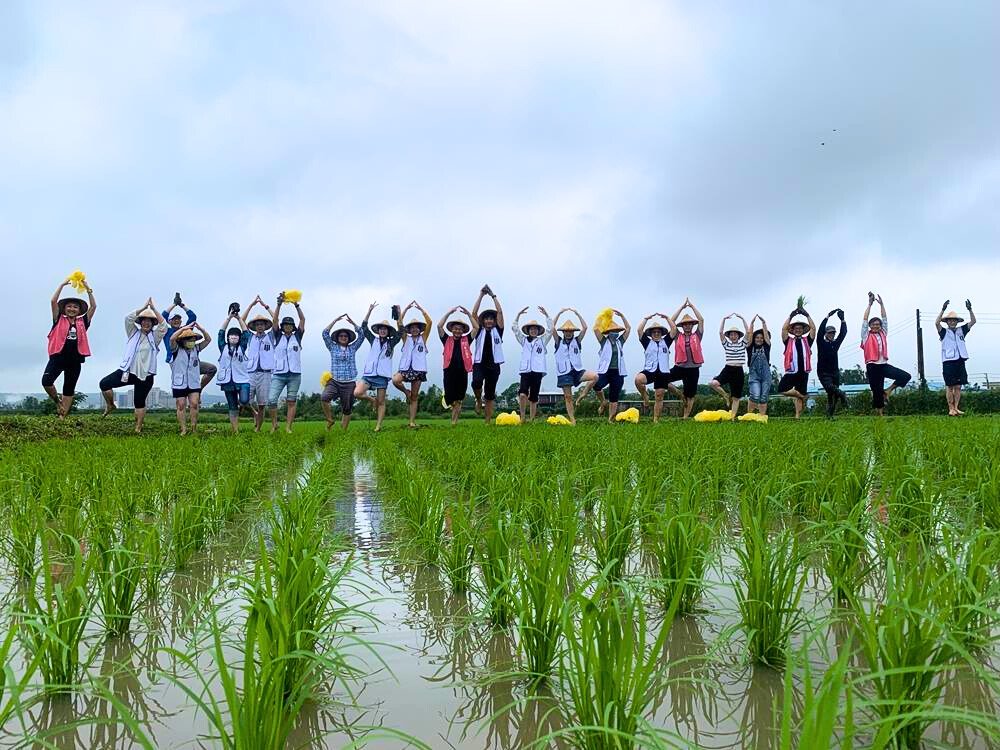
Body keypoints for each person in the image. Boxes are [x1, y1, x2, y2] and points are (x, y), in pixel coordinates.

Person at [99, 300, 167, 433]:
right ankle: (110, 405)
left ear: (153, 324)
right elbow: (128, 318)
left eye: (150, 321)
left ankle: (138, 428)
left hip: (146, 375)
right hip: (128, 371)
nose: (146, 323)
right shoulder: (133, 332)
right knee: (104, 384)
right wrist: (143, 308)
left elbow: (163, 325)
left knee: (139, 402)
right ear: (140, 322)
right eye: (144, 320)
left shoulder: (155, 337)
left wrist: (153, 308)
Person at [43, 278, 97, 418]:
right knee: (47, 381)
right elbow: (53, 302)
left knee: (69, 388)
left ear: (79, 310)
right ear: (65, 308)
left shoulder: (82, 322)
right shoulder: (58, 319)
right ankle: (57, 402)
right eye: (69, 306)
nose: (72, 309)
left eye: (75, 307)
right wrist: (61, 285)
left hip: (75, 359)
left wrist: (88, 289)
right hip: (58, 357)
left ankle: (62, 418)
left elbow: (93, 307)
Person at [861, 293, 911, 416]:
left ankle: (888, 391)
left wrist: (882, 305)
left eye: (878, 324)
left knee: (905, 376)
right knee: (876, 390)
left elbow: (885, 319)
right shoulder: (866, 335)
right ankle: (880, 415)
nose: (876, 326)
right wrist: (870, 304)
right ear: (870, 326)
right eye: (873, 324)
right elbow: (864, 319)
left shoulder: (883, 333)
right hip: (872, 366)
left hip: (883, 365)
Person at [392, 300, 433, 429]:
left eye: (417, 327)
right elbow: (399, 323)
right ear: (409, 329)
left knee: (415, 397)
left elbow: (430, 322)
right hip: (405, 368)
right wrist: (405, 309)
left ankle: (412, 421)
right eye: (412, 327)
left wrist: (421, 309)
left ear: (419, 329)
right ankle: (406, 392)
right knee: (395, 380)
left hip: (418, 369)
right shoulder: (405, 338)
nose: (414, 329)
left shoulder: (423, 338)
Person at [163, 293, 217, 389]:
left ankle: (199, 389)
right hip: (176, 360)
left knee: (211, 369)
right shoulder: (166, 331)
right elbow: (163, 316)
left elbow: (192, 317)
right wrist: (174, 304)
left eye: (178, 319)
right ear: (169, 321)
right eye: (173, 319)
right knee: (182, 384)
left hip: (191, 359)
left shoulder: (186, 330)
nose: (176, 321)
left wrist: (182, 305)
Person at [359, 304, 400, 432]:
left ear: (388, 332)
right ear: (378, 331)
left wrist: (398, 313)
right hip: (369, 373)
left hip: (382, 375)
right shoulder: (373, 340)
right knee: (357, 392)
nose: (383, 331)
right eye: (381, 329)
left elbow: (402, 331)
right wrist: (369, 310)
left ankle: (378, 426)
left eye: (385, 329)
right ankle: (372, 400)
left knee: (382, 402)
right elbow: (364, 327)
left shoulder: (391, 343)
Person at [662, 298, 705, 419]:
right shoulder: (677, 335)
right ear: (682, 326)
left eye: (689, 324)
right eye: (685, 324)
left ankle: (685, 417)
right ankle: (679, 394)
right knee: (663, 380)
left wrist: (692, 306)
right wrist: (681, 307)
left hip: (693, 369)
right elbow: (671, 320)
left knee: (690, 395)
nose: (687, 326)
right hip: (680, 367)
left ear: (692, 325)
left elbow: (701, 320)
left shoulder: (697, 335)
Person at [269, 293, 306, 433]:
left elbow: (302, 319)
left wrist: (296, 305)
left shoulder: (298, 336)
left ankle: (288, 427)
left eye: (290, 325)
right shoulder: (278, 336)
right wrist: (278, 304)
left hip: (295, 375)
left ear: (293, 327)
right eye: (286, 325)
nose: (288, 327)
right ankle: (274, 425)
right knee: (272, 400)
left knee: (291, 401)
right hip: (279, 374)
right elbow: (275, 320)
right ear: (283, 326)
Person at [552, 308, 596, 424]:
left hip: (577, 370)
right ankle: (572, 419)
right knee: (568, 397)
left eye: (571, 331)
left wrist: (577, 313)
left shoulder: (577, 340)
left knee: (595, 377)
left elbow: (585, 328)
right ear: (563, 332)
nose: (568, 333)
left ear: (573, 332)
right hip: (564, 372)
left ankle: (583, 394)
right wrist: (559, 313)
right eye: (566, 331)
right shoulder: (558, 341)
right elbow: (551, 328)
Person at [321, 314, 365, 430]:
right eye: (341, 335)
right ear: (337, 337)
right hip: (334, 381)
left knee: (347, 408)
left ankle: (343, 430)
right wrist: (334, 321)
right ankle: (330, 420)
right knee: (325, 397)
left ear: (348, 338)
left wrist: (353, 324)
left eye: (345, 336)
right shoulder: (332, 347)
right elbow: (325, 333)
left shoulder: (353, 347)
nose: (343, 337)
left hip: (349, 382)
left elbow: (362, 335)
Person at [168, 322, 212, 435]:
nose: (191, 342)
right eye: (189, 340)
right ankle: (183, 429)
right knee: (181, 405)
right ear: (183, 340)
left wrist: (201, 328)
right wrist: (184, 328)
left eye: (193, 340)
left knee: (194, 404)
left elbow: (208, 339)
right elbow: (172, 339)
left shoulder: (196, 349)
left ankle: (194, 428)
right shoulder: (176, 349)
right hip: (179, 382)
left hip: (193, 382)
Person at [241, 296, 277, 432]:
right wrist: (251, 305)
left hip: (265, 373)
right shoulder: (250, 337)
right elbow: (242, 321)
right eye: (257, 324)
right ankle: (254, 414)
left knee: (262, 404)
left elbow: (276, 320)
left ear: (265, 326)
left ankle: (258, 428)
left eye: (262, 324)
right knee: (244, 400)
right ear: (255, 327)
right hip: (250, 373)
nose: (260, 326)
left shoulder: (271, 336)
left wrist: (265, 306)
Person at [588, 309, 631, 423]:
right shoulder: (603, 341)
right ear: (608, 332)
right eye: (613, 331)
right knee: (596, 386)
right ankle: (603, 402)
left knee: (614, 396)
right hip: (605, 372)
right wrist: (602, 317)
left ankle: (610, 419)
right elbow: (596, 329)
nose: (615, 333)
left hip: (618, 372)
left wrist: (622, 315)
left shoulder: (620, 341)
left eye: (617, 331)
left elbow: (628, 329)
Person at [470, 286, 506, 423]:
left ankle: (487, 421)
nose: (489, 321)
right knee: (476, 382)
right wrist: (481, 295)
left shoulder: (498, 331)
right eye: (487, 319)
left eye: (491, 319)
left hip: (494, 365)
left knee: (490, 394)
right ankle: (478, 400)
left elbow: (500, 312)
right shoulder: (478, 330)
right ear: (483, 321)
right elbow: (474, 313)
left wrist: (493, 295)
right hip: (479, 363)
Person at [438, 307, 479, 425]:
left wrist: (469, 315)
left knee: (459, 399)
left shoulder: (466, 340)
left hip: (463, 372)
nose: (457, 331)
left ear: (463, 331)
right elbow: (439, 326)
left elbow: (476, 327)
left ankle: (454, 422)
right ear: (452, 330)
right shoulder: (446, 339)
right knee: (451, 398)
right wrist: (449, 313)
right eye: (455, 329)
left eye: (460, 329)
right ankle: (449, 403)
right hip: (449, 371)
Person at [936, 299, 976, 416]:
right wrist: (943, 309)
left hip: (960, 360)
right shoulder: (943, 332)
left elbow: (973, 321)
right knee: (949, 386)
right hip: (948, 361)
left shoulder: (961, 330)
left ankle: (956, 408)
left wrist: (970, 309)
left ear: (957, 322)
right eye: (950, 320)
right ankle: (950, 408)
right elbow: (936, 323)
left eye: (954, 320)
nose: (952, 322)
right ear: (947, 322)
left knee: (958, 386)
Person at [634, 313, 677, 423]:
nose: (656, 334)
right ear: (651, 334)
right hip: (649, 370)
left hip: (663, 372)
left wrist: (667, 318)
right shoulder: (647, 342)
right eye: (654, 332)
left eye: (658, 332)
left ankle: (655, 420)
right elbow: (639, 330)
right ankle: (645, 397)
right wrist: (646, 319)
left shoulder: (666, 341)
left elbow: (674, 329)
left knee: (659, 396)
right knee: (638, 380)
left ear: (661, 333)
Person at [514, 306, 554, 423]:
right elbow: (515, 329)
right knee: (522, 394)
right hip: (525, 370)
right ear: (528, 331)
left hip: (537, 371)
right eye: (531, 329)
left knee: (534, 397)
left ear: (538, 331)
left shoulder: (542, 340)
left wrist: (546, 315)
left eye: (535, 329)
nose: (533, 331)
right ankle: (522, 417)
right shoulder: (523, 340)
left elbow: (551, 329)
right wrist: (518, 315)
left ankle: (531, 419)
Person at [778, 306, 816, 419]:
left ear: (803, 330)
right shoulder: (788, 341)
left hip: (804, 371)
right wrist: (791, 315)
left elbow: (813, 329)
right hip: (791, 371)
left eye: (800, 328)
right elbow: (784, 330)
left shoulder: (807, 341)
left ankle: (797, 416)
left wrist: (807, 315)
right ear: (793, 330)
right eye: (796, 328)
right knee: (782, 389)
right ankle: (802, 396)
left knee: (799, 397)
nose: (798, 330)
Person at [709, 314, 750, 419]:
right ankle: (725, 395)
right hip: (728, 369)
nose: (733, 336)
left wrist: (742, 318)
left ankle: (732, 418)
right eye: (731, 335)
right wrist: (723, 319)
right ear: (729, 336)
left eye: (735, 334)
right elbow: (720, 333)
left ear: (738, 336)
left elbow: (748, 332)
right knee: (713, 383)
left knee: (736, 397)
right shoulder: (726, 344)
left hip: (739, 371)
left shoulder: (743, 344)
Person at [217, 312, 252, 433]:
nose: (233, 337)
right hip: (227, 380)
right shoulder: (223, 347)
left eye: (236, 335)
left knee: (244, 400)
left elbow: (246, 333)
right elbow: (221, 332)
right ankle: (235, 431)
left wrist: (238, 318)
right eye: (231, 335)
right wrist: (229, 318)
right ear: (228, 337)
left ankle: (251, 409)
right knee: (232, 406)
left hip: (242, 379)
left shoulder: (242, 347)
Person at [817, 309, 848, 418]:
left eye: (833, 333)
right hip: (823, 372)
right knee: (830, 388)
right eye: (829, 333)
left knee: (833, 395)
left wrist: (842, 320)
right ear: (826, 334)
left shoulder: (835, 343)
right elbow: (819, 331)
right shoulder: (821, 342)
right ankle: (842, 394)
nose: (831, 334)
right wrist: (827, 317)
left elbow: (843, 333)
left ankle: (829, 416)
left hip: (834, 372)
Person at [746, 317, 772, 416]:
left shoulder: (766, 347)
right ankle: (749, 416)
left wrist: (763, 323)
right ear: (754, 338)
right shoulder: (750, 347)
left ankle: (762, 418)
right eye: (757, 337)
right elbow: (749, 335)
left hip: (766, 376)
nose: (759, 339)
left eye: (761, 338)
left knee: (764, 397)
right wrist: (752, 323)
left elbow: (766, 337)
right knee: (755, 395)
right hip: (754, 376)